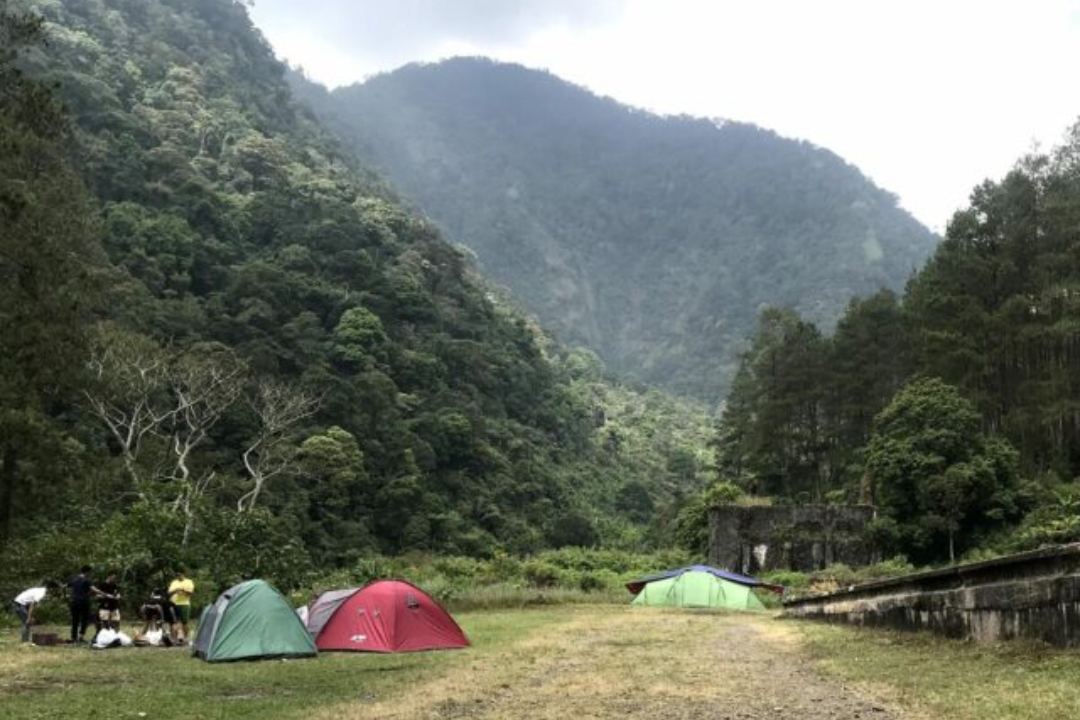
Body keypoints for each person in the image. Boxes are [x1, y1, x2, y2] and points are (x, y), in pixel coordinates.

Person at [66, 565, 93, 644]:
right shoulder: (86, 580)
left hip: (74, 602)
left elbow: (65, 586)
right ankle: (81, 637)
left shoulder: (74, 579)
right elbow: (92, 589)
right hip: (84, 602)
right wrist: (104, 594)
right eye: (90, 572)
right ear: (87, 572)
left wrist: (66, 597)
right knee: (84, 619)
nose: (91, 574)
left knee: (75, 620)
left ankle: (74, 638)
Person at [168, 569, 194, 644]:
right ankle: (174, 639)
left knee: (184, 622)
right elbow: (169, 593)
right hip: (174, 603)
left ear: (183, 574)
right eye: (177, 575)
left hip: (184, 603)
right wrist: (175, 590)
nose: (178, 576)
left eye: (179, 574)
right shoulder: (174, 582)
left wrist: (183, 590)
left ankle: (186, 638)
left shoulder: (189, 582)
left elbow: (191, 593)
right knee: (173, 622)